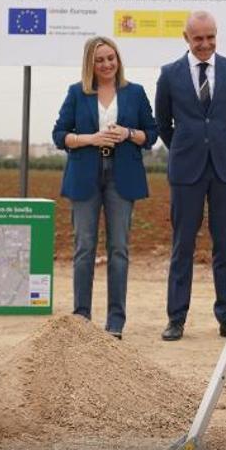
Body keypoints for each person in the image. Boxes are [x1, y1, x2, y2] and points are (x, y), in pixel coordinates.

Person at [155, 11, 226, 342]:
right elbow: (163, 123)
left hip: (225, 170)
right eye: (198, 38)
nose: (205, 44)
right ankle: (176, 318)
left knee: (224, 247)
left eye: (210, 37)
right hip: (187, 171)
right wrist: (187, 147)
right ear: (186, 38)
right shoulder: (169, 74)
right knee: (182, 246)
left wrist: (222, 147)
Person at [52, 36, 157, 339]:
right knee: (84, 248)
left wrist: (128, 132)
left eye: (111, 58)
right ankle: (81, 318)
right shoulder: (77, 92)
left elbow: (151, 135)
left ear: (118, 59)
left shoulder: (135, 92)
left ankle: (115, 322)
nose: (107, 64)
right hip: (84, 175)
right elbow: (59, 135)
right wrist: (91, 138)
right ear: (90, 64)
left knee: (119, 249)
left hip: (122, 176)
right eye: (100, 60)